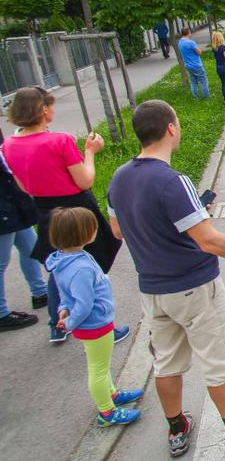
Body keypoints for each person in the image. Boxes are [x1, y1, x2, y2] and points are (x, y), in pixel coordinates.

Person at [107, 100, 225, 458]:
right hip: (193, 287)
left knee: (166, 363)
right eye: (177, 122)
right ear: (170, 128)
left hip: (152, 290)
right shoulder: (173, 182)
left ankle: (177, 429)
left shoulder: (118, 178)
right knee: (217, 361)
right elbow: (209, 241)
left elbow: (118, 230)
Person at [2, 87, 125, 343]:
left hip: (45, 210)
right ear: (43, 110)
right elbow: (85, 180)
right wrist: (90, 151)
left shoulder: (9, 145)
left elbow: (23, 186)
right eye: (50, 106)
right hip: (76, 207)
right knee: (92, 262)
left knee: (60, 264)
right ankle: (99, 325)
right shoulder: (60, 140)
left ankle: (58, 324)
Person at [46, 207, 144, 427]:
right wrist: (70, 322)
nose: (96, 230)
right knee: (98, 369)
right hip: (95, 325)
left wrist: (64, 309)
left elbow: (65, 293)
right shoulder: (80, 268)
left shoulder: (64, 260)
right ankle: (106, 412)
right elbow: (83, 304)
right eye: (93, 228)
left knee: (101, 364)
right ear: (82, 234)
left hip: (92, 324)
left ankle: (111, 394)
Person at [0, 150, 46, 332]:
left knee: (31, 247)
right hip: (3, 208)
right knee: (1, 262)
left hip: (12, 200)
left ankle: (40, 292)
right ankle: (1, 314)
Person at [178, 29, 210, 99]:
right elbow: (199, 52)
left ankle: (195, 97)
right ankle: (206, 96)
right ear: (188, 32)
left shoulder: (180, 42)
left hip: (188, 65)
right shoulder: (190, 42)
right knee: (203, 80)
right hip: (196, 64)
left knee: (193, 81)